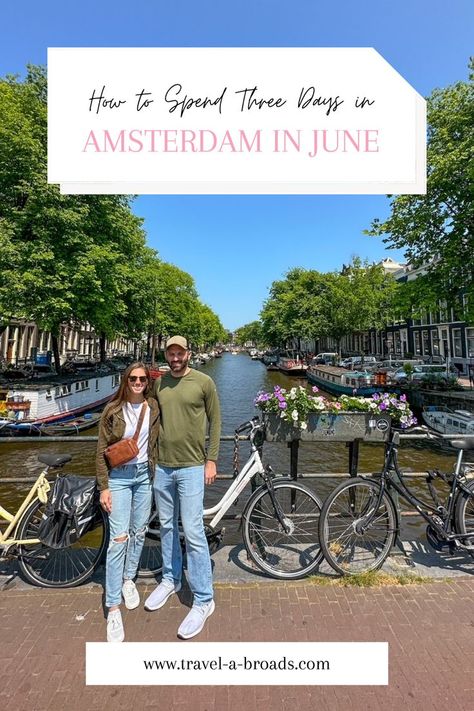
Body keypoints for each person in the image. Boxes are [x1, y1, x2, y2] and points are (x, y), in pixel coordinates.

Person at [145, 336, 221, 639]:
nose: (175, 357)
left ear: (188, 353)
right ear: (167, 355)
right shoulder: (160, 384)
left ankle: (204, 599)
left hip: (191, 467)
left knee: (192, 530)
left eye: (180, 353)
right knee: (166, 526)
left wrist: (211, 459)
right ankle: (171, 578)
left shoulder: (204, 382)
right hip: (162, 466)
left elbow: (215, 420)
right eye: (171, 353)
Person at [96, 362, 160, 643]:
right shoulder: (112, 410)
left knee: (140, 531)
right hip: (120, 478)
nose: (137, 382)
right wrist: (104, 487)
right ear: (126, 381)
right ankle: (113, 606)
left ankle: (128, 579)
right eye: (133, 378)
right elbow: (100, 450)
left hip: (145, 476)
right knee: (118, 539)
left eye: (142, 379)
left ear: (148, 381)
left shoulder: (154, 407)